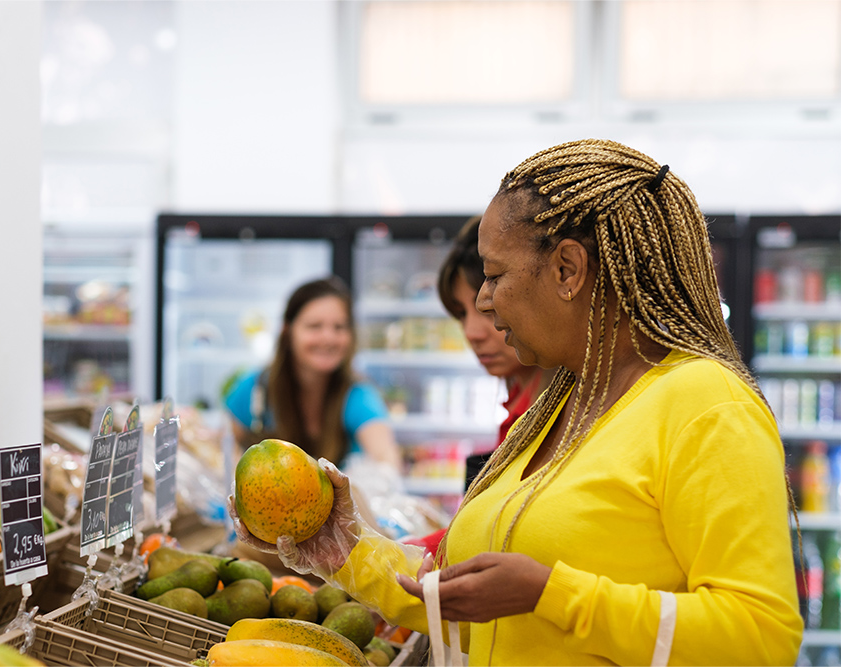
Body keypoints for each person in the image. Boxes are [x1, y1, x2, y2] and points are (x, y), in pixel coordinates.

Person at [230, 139, 803, 665]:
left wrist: (550, 593)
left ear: (568, 269)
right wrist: (345, 550)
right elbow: (476, 621)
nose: (482, 300)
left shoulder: (707, 404)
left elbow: (761, 636)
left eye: (495, 275)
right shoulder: (561, 404)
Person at [223, 276, 402, 472]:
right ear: (288, 331)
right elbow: (221, 449)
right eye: (314, 326)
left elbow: (386, 459)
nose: (328, 338)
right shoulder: (255, 389)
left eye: (339, 327)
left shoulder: (357, 394)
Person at [436, 214, 555, 488]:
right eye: (461, 313)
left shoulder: (558, 412)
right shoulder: (519, 404)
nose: (471, 333)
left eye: (488, 310)